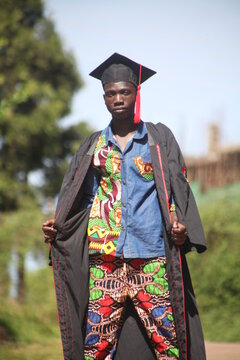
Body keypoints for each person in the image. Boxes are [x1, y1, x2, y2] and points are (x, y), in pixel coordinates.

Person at [42, 53, 206, 360]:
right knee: (96, 345)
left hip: (151, 257)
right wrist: (58, 226)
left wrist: (177, 222)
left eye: (124, 92)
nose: (118, 98)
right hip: (105, 261)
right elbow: (81, 199)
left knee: (168, 343)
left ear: (136, 93)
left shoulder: (158, 139)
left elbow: (173, 189)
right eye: (111, 93)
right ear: (104, 97)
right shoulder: (94, 145)